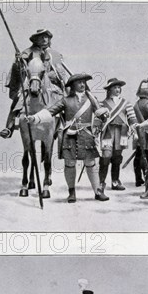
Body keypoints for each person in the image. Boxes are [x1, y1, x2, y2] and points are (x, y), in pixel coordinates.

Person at [26, 73, 109, 203]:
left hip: (87, 135)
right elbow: (51, 111)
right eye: (79, 82)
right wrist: (36, 118)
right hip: (70, 136)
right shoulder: (65, 100)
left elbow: (100, 115)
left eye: (83, 82)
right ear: (73, 85)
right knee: (70, 164)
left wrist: (103, 115)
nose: (82, 85)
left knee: (91, 164)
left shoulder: (91, 99)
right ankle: (71, 192)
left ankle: (98, 191)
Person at [1, 28, 67, 139]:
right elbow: (21, 67)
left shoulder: (55, 54)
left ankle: (65, 124)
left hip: (50, 83)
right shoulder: (28, 52)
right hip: (32, 81)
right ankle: (9, 127)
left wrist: (54, 76)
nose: (44, 39)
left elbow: (60, 72)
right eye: (41, 37)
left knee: (64, 99)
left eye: (46, 37)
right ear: (35, 39)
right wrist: (19, 61)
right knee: (19, 98)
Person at [98, 77, 138, 193]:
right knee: (105, 157)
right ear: (109, 90)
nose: (118, 89)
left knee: (117, 157)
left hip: (121, 133)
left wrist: (135, 129)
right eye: (115, 87)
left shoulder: (126, 103)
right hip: (107, 132)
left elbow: (132, 118)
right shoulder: (102, 103)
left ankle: (115, 181)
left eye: (119, 87)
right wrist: (96, 129)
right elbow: (98, 120)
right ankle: (101, 182)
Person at [133, 76, 148, 187]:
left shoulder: (137, 103)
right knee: (145, 156)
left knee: (138, 156)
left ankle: (138, 179)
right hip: (147, 133)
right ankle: (147, 178)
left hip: (138, 132)